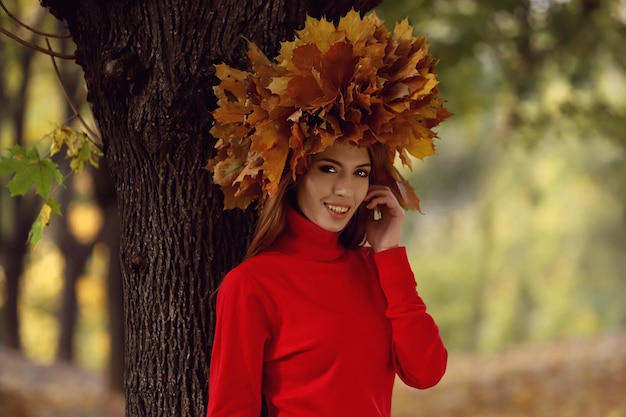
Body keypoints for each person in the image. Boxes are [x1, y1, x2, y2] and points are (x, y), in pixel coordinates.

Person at [205, 9, 452, 417]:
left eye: (360, 173)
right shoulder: (251, 284)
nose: (345, 190)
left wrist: (389, 252)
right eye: (329, 169)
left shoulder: (376, 271)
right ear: (296, 174)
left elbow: (426, 372)